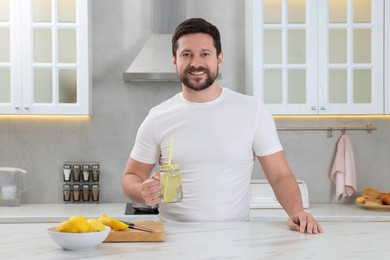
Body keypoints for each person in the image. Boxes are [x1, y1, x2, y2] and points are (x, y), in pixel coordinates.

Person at [121, 18, 322, 234]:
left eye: (204, 54)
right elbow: (131, 177)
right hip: (173, 242)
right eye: (186, 54)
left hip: (235, 242)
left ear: (219, 58)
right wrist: (142, 192)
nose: (195, 63)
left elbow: (279, 175)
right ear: (174, 61)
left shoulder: (252, 110)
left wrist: (296, 212)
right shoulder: (158, 117)